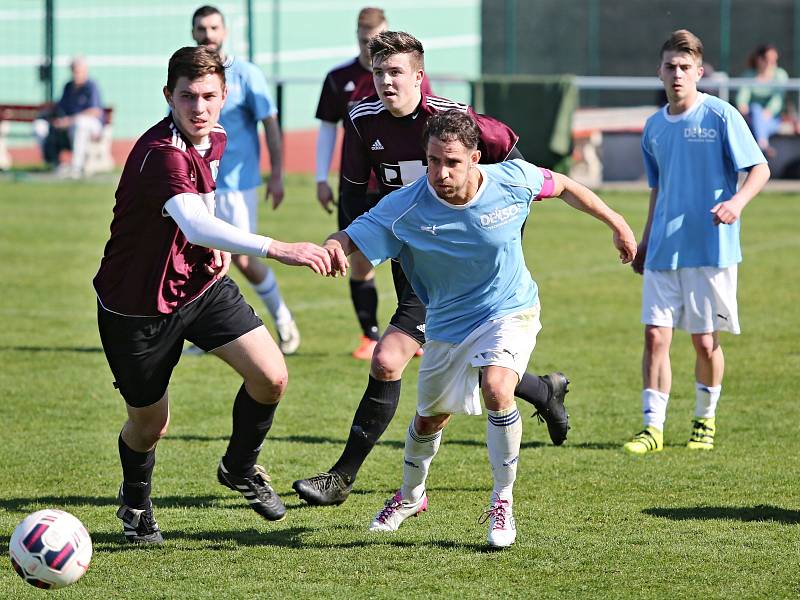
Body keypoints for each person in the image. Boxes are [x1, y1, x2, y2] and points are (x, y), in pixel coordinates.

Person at [321, 110, 637, 547]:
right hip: (447, 322)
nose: (440, 172)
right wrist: (332, 247)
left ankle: (502, 501)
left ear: (475, 158)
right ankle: (411, 495)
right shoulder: (407, 205)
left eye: (451, 162)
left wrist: (617, 222)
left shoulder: (512, 179)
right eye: (432, 161)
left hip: (510, 309)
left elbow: (563, 185)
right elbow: (355, 232)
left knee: (497, 387)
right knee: (431, 418)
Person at [293, 31, 571, 508]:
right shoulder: (361, 119)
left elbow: (513, 170)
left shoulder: (452, 120)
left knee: (387, 360)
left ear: (419, 76)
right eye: (378, 72)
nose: (385, 81)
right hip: (409, 260)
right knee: (475, 367)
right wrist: (349, 250)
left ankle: (342, 477)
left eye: (396, 72)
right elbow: (356, 191)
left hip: (455, 272)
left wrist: (492, 243)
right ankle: (544, 389)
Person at [93, 46, 333, 544]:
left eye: (208, 96)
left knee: (271, 377)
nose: (198, 107)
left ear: (225, 96)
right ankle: (136, 507)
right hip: (137, 307)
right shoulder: (161, 155)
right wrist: (278, 248)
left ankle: (240, 467)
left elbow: (205, 206)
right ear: (168, 97)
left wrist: (216, 249)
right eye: (186, 97)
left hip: (199, 285)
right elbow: (196, 223)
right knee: (150, 425)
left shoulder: (215, 137)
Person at [624, 30, 770, 455]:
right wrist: (647, 241)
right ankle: (653, 428)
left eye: (685, 67)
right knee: (655, 336)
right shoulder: (653, 128)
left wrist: (737, 203)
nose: (677, 74)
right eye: (670, 66)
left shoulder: (721, 115)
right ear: (660, 72)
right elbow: (658, 189)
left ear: (699, 72)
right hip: (665, 251)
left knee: (704, 341)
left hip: (711, 248)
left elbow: (759, 168)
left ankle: (705, 419)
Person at [315, 7, 433, 360]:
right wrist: (321, 177)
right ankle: (369, 335)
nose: (385, 79)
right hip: (360, 188)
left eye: (374, 35)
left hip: (402, 188)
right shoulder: (339, 78)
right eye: (363, 36)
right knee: (362, 261)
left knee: (414, 259)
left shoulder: (410, 77)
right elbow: (326, 129)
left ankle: (412, 330)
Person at [186, 5, 300, 355]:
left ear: (224, 31)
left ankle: (284, 321)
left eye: (213, 28)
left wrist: (277, 173)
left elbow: (269, 123)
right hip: (201, 185)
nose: (208, 34)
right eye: (201, 29)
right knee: (201, 257)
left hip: (237, 184)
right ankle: (206, 336)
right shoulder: (187, 78)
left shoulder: (245, 74)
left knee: (245, 260)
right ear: (193, 33)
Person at [33, 57, 104, 178]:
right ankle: (55, 163)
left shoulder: (92, 86)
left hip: (91, 126)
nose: (76, 74)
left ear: (85, 71)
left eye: (79, 71)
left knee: (80, 123)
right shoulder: (68, 86)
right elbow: (60, 108)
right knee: (40, 126)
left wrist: (69, 121)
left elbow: (95, 111)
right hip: (68, 126)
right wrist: (56, 120)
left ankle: (76, 168)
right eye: (74, 71)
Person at [736, 43, 789, 157]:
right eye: (768, 60)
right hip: (752, 118)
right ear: (759, 60)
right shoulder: (749, 75)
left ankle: (761, 145)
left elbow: (778, 99)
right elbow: (742, 99)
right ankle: (763, 145)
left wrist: (768, 112)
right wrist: (743, 107)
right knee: (755, 110)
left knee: (757, 113)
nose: (772, 64)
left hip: (773, 120)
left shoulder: (780, 75)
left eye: (774, 60)